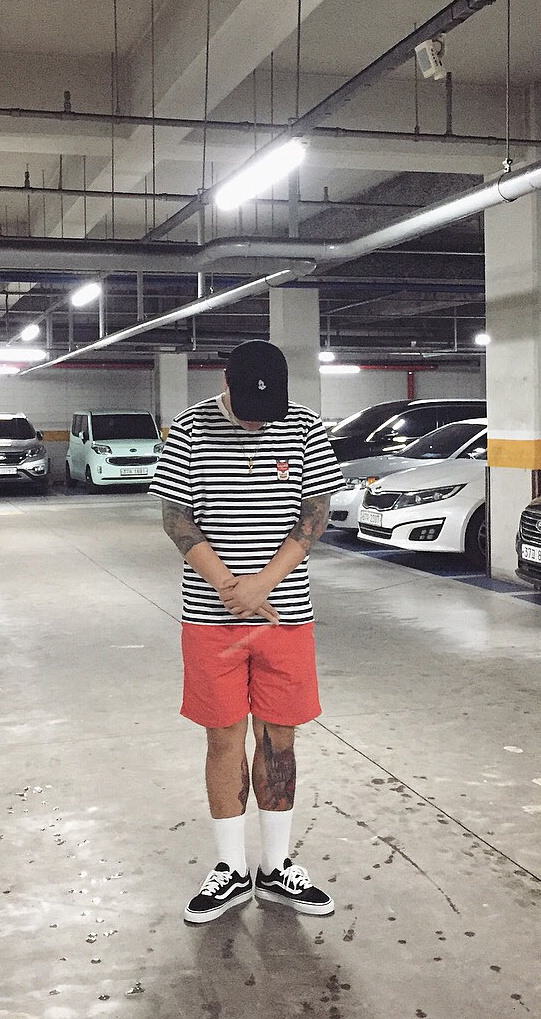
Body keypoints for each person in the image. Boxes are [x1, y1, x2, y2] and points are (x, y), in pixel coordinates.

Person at [148, 339, 344, 925]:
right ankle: (231, 869)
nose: (260, 421)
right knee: (224, 739)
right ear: (226, 383)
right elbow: (175, 517)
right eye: (250, 407)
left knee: (280, 738)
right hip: (212, 620)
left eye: (269, 410)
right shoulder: (189, 430)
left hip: (287, 616)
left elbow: (315, 515)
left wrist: (263, 585)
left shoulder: (304, 426)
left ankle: (277, 867)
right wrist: (230, 587)